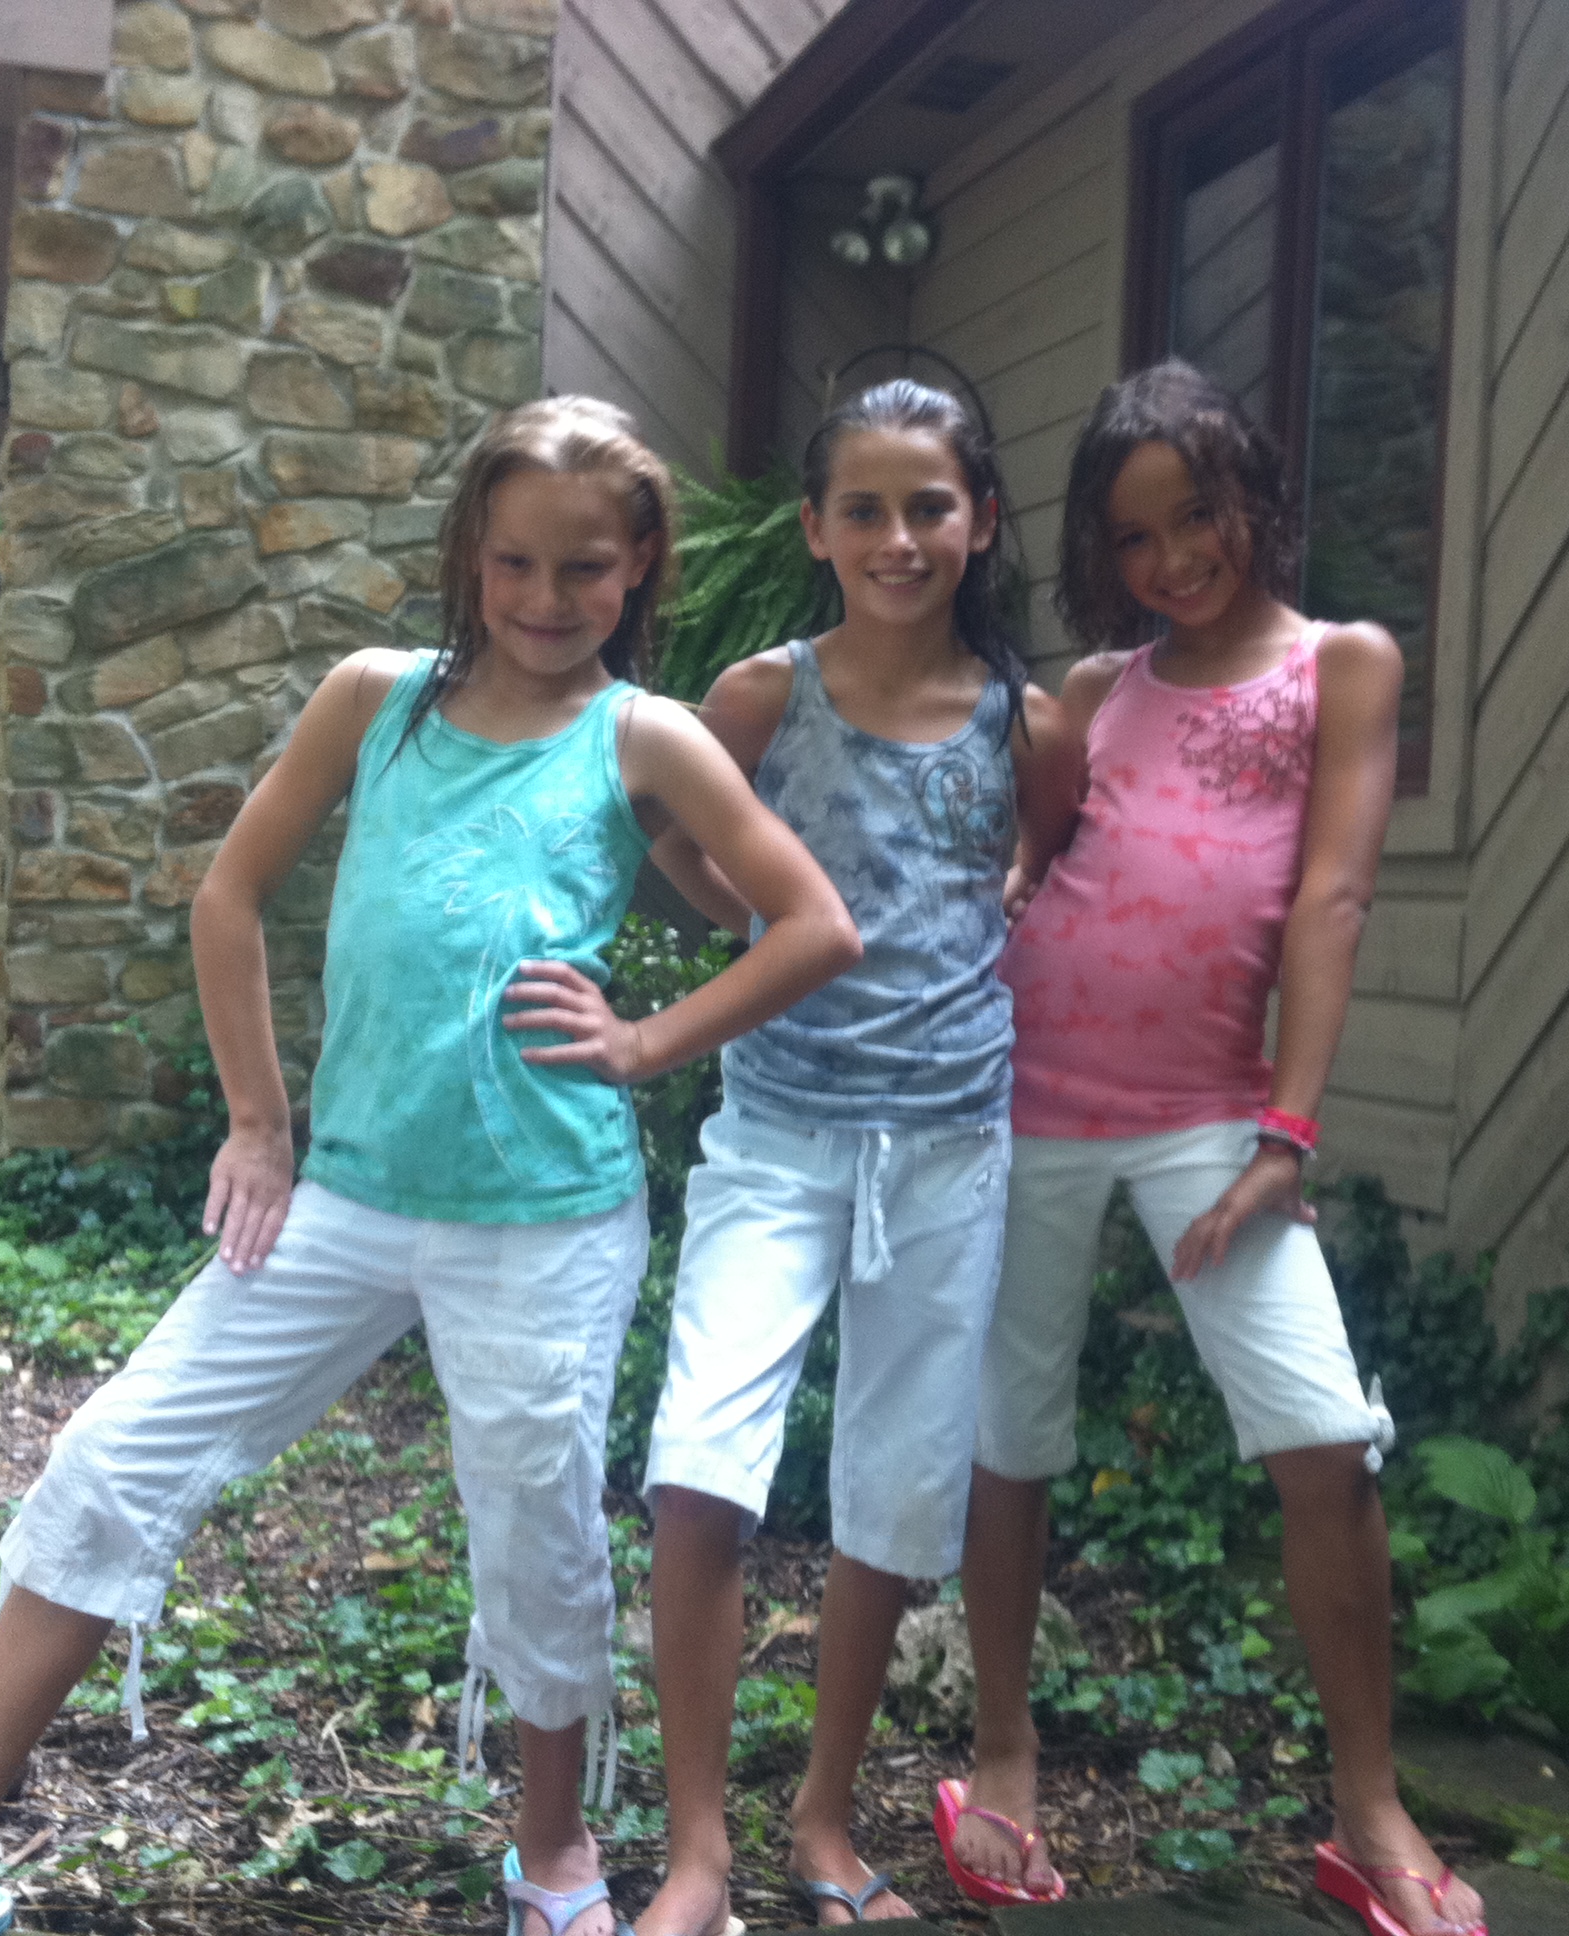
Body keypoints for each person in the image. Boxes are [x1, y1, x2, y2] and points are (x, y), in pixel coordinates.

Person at [0, 397, 862, 1936]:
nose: (546, 597)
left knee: (536, 1539)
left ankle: (554, 1861)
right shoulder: (374, 701)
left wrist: (646, 1042)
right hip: (347, 1199)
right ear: (470, 551)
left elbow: (814, 924)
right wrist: (259, 1123)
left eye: (585, 568)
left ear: (638, 565)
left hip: (545, 1219)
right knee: (117, 1454)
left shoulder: (643, 736)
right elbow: (231, 896)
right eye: (516, 561)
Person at [947, 360, 1485, 1936]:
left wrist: (1285, 1136)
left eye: (1198, 515)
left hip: (1209, 1118)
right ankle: (1001, 1757)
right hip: (1026, 1098)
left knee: (1322, 1439)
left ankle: (1368, 1809)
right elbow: (1032, 862)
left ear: (1254, 492)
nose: (1173, 556)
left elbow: (1332, 898)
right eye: (1134, 536)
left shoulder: (1343, 664)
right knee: (1010, 1438)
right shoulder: (1097, 690)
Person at [630, 379, 1075, 1935]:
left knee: (893, 1496)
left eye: (930, 506)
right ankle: (698, 1857)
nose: (900, 538)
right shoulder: (764, 697)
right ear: (816, 528)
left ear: (982, 521)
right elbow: (670, 829)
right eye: (865, 509)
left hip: (951, 1149)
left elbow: (1042, 844)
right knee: (700, 1467)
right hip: (778, 1136)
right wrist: (746, 920)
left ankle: (823, 1823)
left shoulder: (1026, 720)